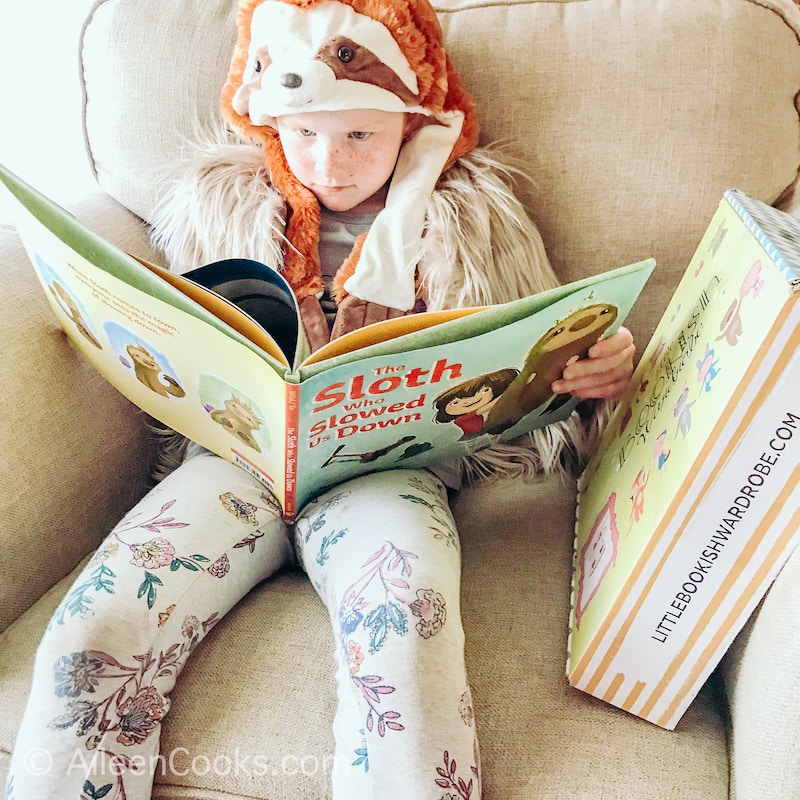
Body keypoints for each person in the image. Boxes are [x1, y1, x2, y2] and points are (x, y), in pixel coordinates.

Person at [5, 0, 636, 797]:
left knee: (404, 624)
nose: (329, 163)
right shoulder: (219, 205)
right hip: (238, 463)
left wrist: (593, 372)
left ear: (411, 121)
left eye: (359, 136)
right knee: (92, 632)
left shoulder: (475, 217)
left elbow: (543, 347)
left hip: (391, 468)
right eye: (303, 134)